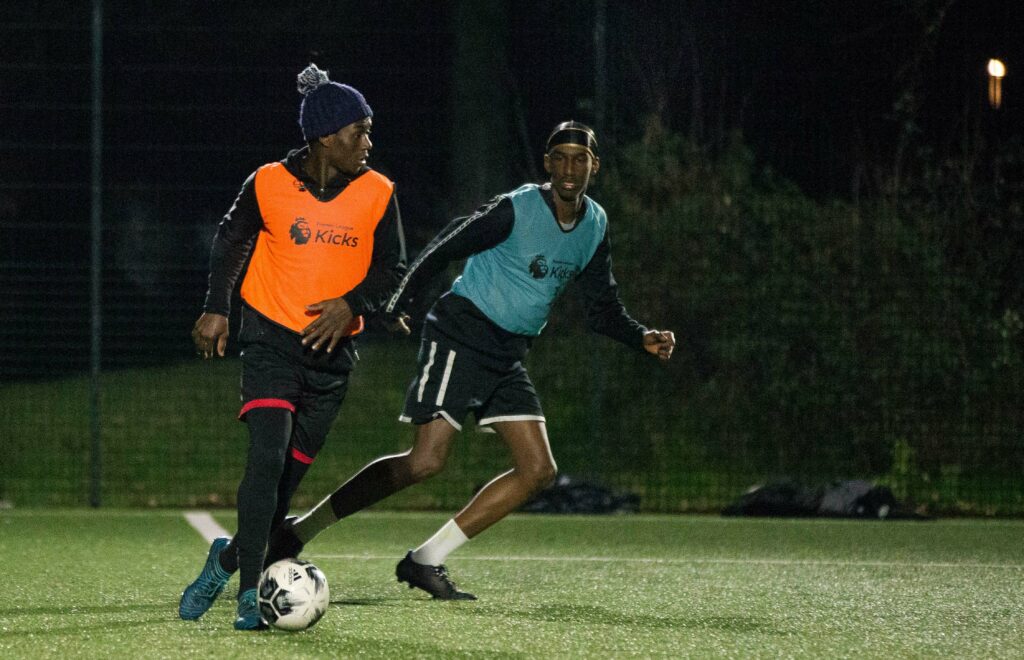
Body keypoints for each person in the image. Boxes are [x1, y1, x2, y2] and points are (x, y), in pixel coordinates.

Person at [264, 120, 675, 600]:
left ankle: (425, 560)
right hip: (462, 332)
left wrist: (640, 336)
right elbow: (447, 244)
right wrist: (397, 300)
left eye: (579, 159)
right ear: (547, 165)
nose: (569, 167)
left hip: (508, 351)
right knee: (425, 462)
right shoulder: (517, 208)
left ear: (594, 166)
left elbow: (601, 306)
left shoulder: (595, 225)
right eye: (559, 157)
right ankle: (299, 532)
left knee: (538, 470)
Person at [178, 63, 406, 629]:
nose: (368, 143)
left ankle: (225, 560)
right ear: (328, 136)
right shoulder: (268, 182)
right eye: (361, 131)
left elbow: (392, 269)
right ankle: (249, 596)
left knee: (284, 488)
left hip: (332, 361)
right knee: (267, 456)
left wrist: (353, 304)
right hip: (270, 340)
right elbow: (231, 241)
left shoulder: (379, 192)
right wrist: (216, 306)